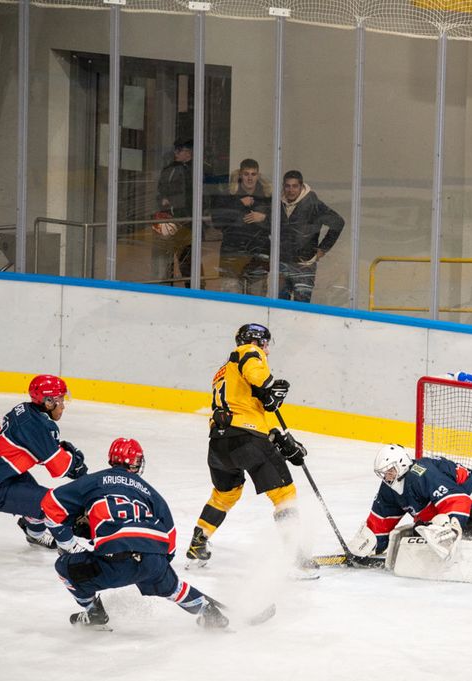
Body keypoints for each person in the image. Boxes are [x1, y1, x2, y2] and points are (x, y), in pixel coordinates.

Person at [43, 437, 229, 630]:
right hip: (153, 559)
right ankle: (209, 613)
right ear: (136, 463)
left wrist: (72, 528)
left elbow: (49, 504)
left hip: (113, 561)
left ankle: (94, 613)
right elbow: (170, 538)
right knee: (173, 587)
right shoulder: (150, 492)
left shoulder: (94, 481)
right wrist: (156, 567)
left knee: (64, 567)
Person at [185, 323, 317, 578]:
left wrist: (273, 432)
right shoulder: (248, 352)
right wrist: (269, 386)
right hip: (247, 438)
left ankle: (197, 545)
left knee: (224, 495)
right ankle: (296, 559)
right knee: (284, 493)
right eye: (265, 344)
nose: (267, 350)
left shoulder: (223, 371)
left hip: (219, 442)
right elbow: (258, 378)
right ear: (257, 341)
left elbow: (248, 403)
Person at [347, 445, 472, 585]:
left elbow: (458, 499)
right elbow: (383, 516)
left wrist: (451, 528)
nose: (387, 476)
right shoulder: (390, 486)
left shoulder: (421, 473)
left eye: (390, 471)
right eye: (384, 473)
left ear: (401, 464)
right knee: (421, 534)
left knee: (443, 536)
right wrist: (370, 542)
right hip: (447, 510)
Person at [0, 374, 88, 549]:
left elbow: (33, 449)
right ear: (48, 402)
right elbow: (60, 468)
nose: (63, 405)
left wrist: (60, 454)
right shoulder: (40, 427)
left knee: (37, 500)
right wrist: (76, 464)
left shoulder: (25, 409)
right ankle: (69, 547)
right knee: (53, 505)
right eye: (60, 400)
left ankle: (34, 535)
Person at [277, 170, 345, 303]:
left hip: (304, 264)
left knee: (301, 307)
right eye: (288, 186)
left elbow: (338, 222)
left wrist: (323, 249)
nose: (291, 190)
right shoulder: (278, 204)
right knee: (280, 306)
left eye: (295, 186)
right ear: (283, 186)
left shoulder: (313, 204)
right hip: (283, 262)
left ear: (301, 186)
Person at [155, 138, 210, 288]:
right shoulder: (170, 169)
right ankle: (167, 287)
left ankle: (194, 288)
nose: (177, 153)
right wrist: (163, 200)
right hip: (170, 219)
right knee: (168, 257)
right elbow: (160, 191)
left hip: (189, 221)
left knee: (188, 258)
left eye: (181, 150)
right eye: (177, 150)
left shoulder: (198, 170)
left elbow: (205, 196)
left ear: (189, 152)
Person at [213, 158, 272, 295]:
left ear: (258, 175)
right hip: (232, 253)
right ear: (240, 174)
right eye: (246, 174)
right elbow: (217, 221)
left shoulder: (268, 196)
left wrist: (264, 218)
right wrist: (238, 204)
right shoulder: (227, 194)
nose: (250, 178)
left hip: (258, 254)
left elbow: (280, 224)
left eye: (253, 174)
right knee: (231, 299)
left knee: (257, 301)